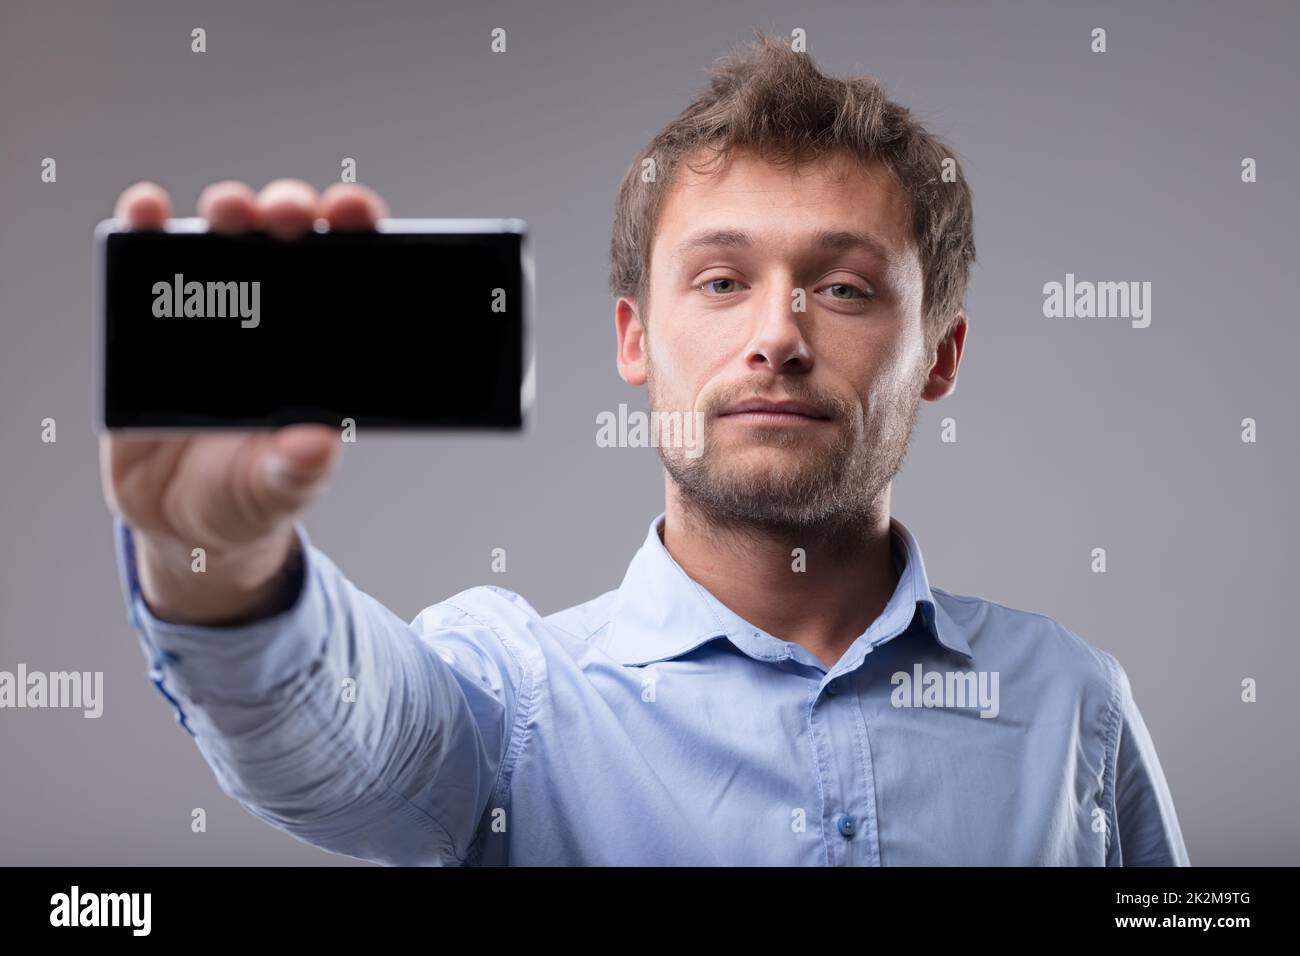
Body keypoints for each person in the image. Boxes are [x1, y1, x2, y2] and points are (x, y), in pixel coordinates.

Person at [101, 32, 1189, 866]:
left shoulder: (1072, 699)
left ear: (938, 355)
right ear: (634, 338)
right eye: (720, 280)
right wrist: (223, 563)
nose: (778, 335)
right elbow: (331, 736)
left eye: (845, 287)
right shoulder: (507, 699)